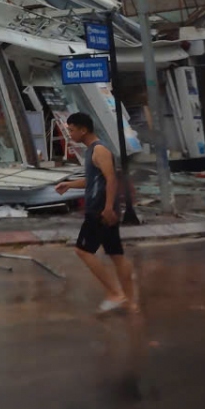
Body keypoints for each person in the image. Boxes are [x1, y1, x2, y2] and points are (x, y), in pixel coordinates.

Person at [56, 112, 137, 314]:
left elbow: (111, 179)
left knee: (82, 251)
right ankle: (130, 301)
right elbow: (93, 180)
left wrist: (108, 208)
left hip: (100, 210)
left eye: (72, 130)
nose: (70, 134)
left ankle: (114, 293)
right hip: (103, 208)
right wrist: (69, 184)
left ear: (83, 129)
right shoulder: (92, 151)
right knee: (116, 254)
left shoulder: (99, 150)